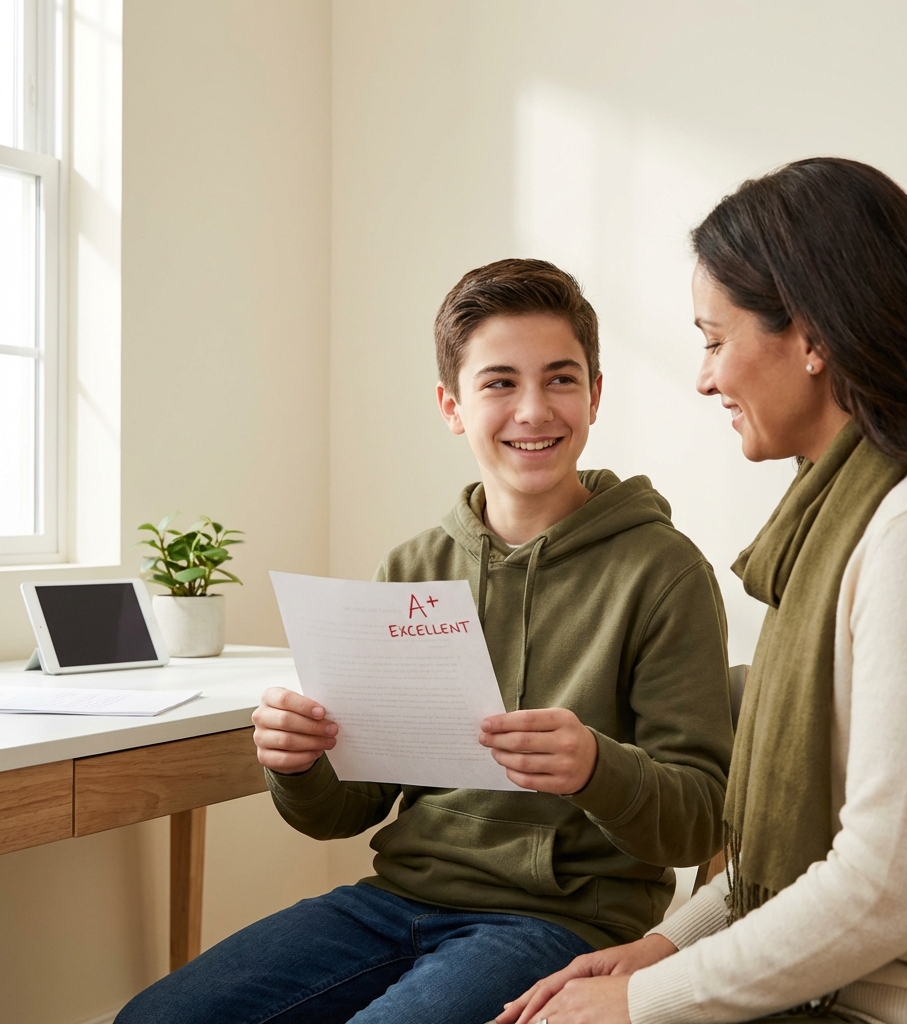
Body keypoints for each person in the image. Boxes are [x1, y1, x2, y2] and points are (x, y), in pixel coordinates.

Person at [115, 259, 734, 1024]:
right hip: (394, 900)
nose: (534, 410)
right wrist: (299, 762)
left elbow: (703, 820)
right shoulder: (411, 568)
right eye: (500, 382)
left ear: (596, 395)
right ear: (452, 404)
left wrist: (594, 768)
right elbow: (348, 810)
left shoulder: (664, 571)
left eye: (562, 379)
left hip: (561, 922)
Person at [500, 159, 907, 1024]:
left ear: (813, 336)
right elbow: (793, 850)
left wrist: (637, 1003)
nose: (704, 378)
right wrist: (664, 945)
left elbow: (885, 887)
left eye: (714, 339)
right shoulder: (836, 520)